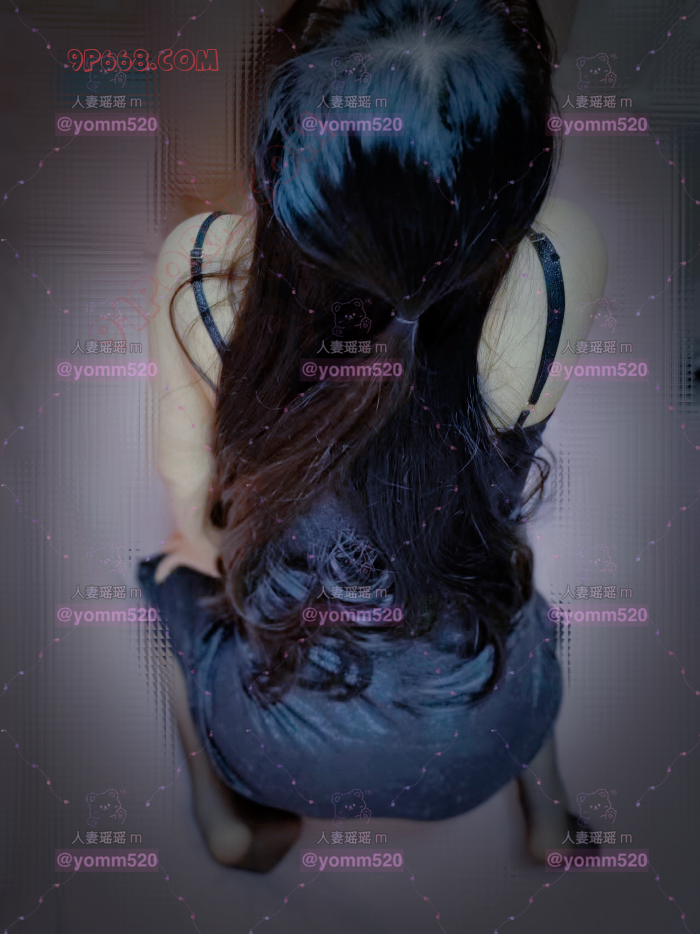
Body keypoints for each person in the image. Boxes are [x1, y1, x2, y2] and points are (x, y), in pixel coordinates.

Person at [140, 0, 607, 873]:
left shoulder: (201, 270)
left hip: (279, 755)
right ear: (523, 168)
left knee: (165, 583)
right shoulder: (561, 262)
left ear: (286, 151)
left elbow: (196, 524)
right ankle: (548, 811)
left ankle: (224, 813)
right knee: (515, 586)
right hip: (490, 740)